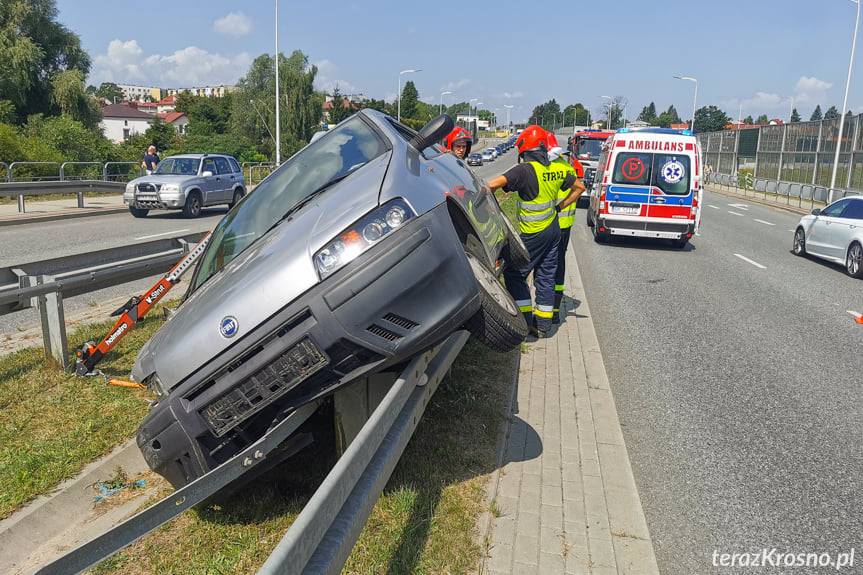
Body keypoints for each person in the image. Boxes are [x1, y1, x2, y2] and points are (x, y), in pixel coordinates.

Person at [486, 125, 577, 337]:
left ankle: (525, 322)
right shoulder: (556, 169)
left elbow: (491, 184)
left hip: (533, 233)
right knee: (546, 276)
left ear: (524, 150)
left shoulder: (524, 170)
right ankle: (544, 327)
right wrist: (559, 208)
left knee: (515, 273)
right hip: (554, 231)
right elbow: (579, 188)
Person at [546, 132, 586, 323]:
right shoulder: (567, 166)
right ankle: (554, 309)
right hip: (564, 226)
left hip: (551, 224)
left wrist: (557, 208)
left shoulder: (549, 168)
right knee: (559, 265)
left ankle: (545, 310)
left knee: (546, 266)